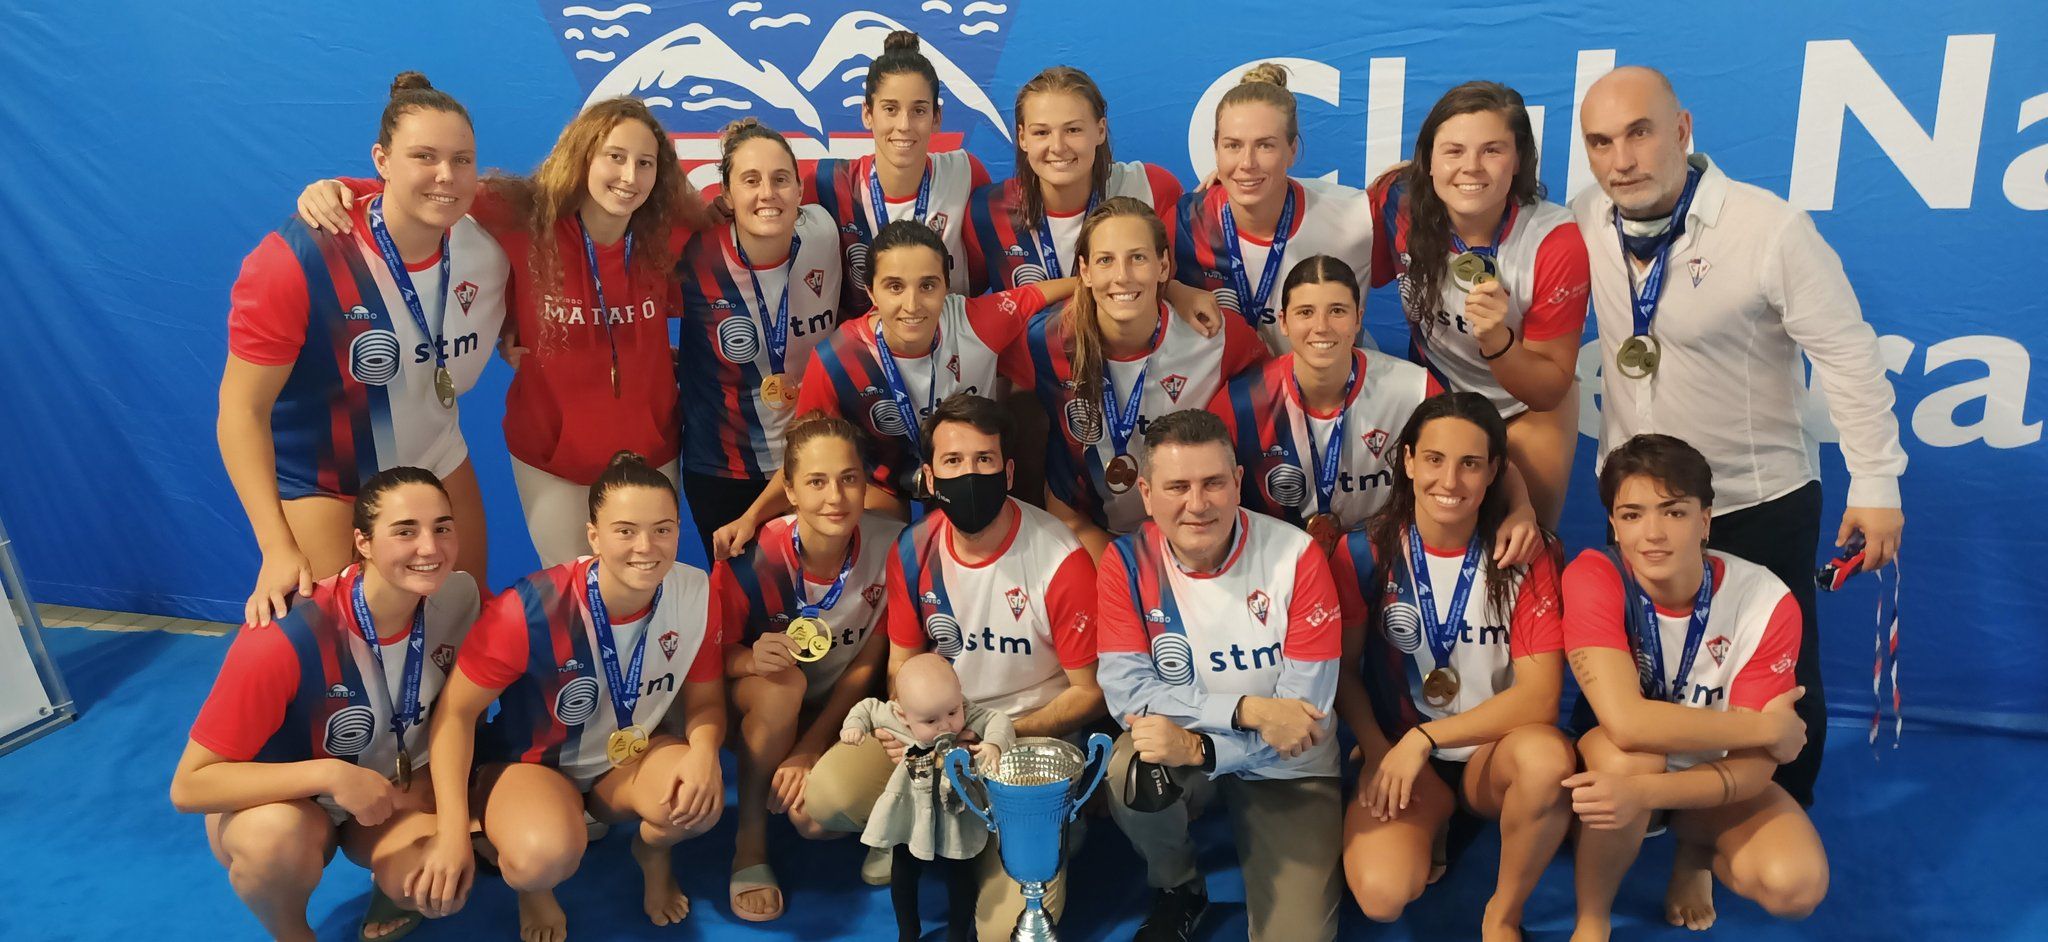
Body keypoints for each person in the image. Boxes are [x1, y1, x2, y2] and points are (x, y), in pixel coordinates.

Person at [1574, 66, 1906, 806]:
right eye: (1601, 142)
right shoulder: (1583, 220)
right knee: (1643, 658)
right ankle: (1643, 807)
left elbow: (1849, 354)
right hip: (1640, 502)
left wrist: (1877, 481)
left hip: (1758, 496)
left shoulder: (1767, 227)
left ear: (1683, 131)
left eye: (1639, 133)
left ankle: (1774, 808)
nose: (1621, 159)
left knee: (1778, 675)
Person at [294, 96, 710, 567]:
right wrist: (337, 188)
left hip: (652, 450)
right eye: (614, 157)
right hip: (551, 457)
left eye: (645, 163)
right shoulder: (521, 216)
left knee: (643, 582)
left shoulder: (672, 232)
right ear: (582, 156)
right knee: (573, 597)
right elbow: (431, 192)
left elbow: (751, 211)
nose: (629, 177)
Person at [798, 393, 1100, 939]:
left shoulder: (1059, 560)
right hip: (936, 733)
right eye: (953, 462)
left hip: (1021, 744)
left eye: (984, 460)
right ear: (931, 480)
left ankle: (1042, 827)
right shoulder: (914, 551)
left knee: (1007, 931)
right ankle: (916, 827)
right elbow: (902, 665)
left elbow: (1089, 693)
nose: (969, 475)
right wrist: (916, 729)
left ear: (1008, 471)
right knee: (823, 799)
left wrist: (999, 738)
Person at [223, 72, 506, 626]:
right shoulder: (298, 259)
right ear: (382, 159)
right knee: (342, 648)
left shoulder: (488, 240)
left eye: (462, 160)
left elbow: (577, 209)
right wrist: (276, 546)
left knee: (461, 622)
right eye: (423, 155)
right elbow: (241, 412)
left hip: (437, 458)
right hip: (328, 483)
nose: (446, 176)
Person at [171, 467, 481, 942]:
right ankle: (293, 932)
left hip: (391, 794)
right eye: (405, 531)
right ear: (363, 542)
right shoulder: (286, 634)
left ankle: (388, 882)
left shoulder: (460, 599)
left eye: (442, 527)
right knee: (270, 842)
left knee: (434, 887)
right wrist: (331, 774)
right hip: (285, 802)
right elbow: (189, 787)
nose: (429, 548)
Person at [425, 452, 725, 942]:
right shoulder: (529, 609)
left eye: (662, 529)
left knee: (697, 799)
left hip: (628, 763)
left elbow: (708, 701)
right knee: (539, 857)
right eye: (625, 530)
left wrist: (706, 753)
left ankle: (653, 855)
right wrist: (454, 829)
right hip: (535, 768)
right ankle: (534, 891)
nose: (646, 547)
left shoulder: (695, 592)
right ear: (594, 536)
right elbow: (456, 714)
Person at [1326, 392, 1574, 941]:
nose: (1450, 481)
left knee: (1546, 759)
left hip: (1493, 754)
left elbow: (1539, 699)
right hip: (1402, 751)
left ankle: (1503, 914)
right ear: (1409, 461)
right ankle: (1435, 820)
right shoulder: (1364, 552)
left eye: (1470, 464)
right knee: (1381, 897)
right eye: (1435, 459)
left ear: (1494, 473)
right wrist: (1379, 748)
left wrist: (1425, 739)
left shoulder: (1526, 555)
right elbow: (1342, 672)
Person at [1562, 433, 1825, 940]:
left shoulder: (1765, 599)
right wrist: (1767, 727)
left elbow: (1754, 769)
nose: (1653, 533)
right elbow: (1628, 723)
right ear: (1613, 525)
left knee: (1796, 886)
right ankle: (1591, 920)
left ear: (1705, 520)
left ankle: (1695, 855)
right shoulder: (1595, 575)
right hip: (1618, 760)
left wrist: (1642, 793)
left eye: (1674, 512)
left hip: (1710, 777)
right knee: (1627, 755)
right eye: (1633, 514)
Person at [1096, 408, 1344, 942]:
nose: (1197, 503)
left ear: (1237, 483)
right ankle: (1178, 885)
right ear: (1145, 492)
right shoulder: (1125, 563)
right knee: (1132, 768)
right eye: (1177, 486)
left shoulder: (1297, 556)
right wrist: (1244, 712)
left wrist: (1208, 750)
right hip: (1197, 746)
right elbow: (1127, 692)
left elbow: (1301, 723)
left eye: (1212, 483)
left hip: (1290, 764)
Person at [713, 220, 1073, 548]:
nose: (912, 305)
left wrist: (1095, 284)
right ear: (870, 292)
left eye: (928, 285)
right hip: (882, 483)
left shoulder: (979, 321)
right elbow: (801, 456)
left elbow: (1050, 292)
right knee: (872, 547)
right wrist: (751, 516)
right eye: (894, 287)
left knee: (974, 536)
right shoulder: (838, 359)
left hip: (961, 473)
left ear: (946, 285)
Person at [1214, 255, 1536, 562]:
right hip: (1277, 566)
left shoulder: (1413, 390)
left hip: (1383, 566)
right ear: (1283, 321)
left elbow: (1481, 457)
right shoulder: (1242, 401)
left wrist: (1521, 508)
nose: (1321, 326)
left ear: (1358, 318)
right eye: (1305, 312)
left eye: (1337, 311)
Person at [1369, 81, 1589, 528]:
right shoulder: (1397, 201)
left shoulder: (1554, 240)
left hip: (1526, 407)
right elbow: (1312, 220)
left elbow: (1548, 388)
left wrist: (1498, 341)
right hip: (1439, 394)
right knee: (1425, 537)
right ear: (1427, 160)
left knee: (1520, 543)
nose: (1471, 168)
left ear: (1520, 161)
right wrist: (1224, 188)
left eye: (1492, 150)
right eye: (1453, 151)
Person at [707, 415, 901, 922]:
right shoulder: (750, 559)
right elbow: (705, 659)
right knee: (781, 684)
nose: (834, 497)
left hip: (839, 704)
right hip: (759, 703)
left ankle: (898, 817)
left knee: (813, 819)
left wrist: (812, 745)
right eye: (816, 482)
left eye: (848, 479)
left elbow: (868, 660)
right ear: (789, 491)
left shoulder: (893, 546)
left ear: (865, 484)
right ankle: (749, 843)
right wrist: (749, 658)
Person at [1010, 197, 1266, 558]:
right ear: (1084, 271)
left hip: (1195, 533)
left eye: (1138, 258)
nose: (1122, 276)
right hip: (1087, 531)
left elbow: (1276, 403)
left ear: (1164, 265)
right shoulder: (1043, 339)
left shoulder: (1217, 336)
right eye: (1105, 260)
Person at [677, 119, 846, 560]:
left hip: (811, 462)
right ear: (727, 196)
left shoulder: (824, 234)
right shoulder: (693, 252)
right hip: (722, 467)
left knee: (814, 606)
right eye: (750, 181)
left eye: (780, 179)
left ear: (799, 191)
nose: (767, 193)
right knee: (745, 606)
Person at [1173, 63, 1377, 356]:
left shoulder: (1357, 218)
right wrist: (1173, 290)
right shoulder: (1186, 221)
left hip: (1329, 392)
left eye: (1265, 146)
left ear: (1293, 150)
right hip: (1228, 395)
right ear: (1215, 149)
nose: (1247, 163)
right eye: (1232, 146)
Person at [808, 30, 988, 312]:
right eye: (890, 109)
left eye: (918, 110)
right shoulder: (828, 183)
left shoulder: (965, 173)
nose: (904, 125)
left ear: (936, 118)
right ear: (867, 114)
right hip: (862, 349)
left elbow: (981, 274)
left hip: (948, 349)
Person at [964, 65, 1184, 294]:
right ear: (1022, 138)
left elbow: (1175, 276)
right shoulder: (987, 210)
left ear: (1100, 130)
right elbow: (960, 305)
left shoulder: (1151, 187)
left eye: (1073, 130)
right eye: (1041, 132)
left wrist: (1222, 178)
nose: (1058, 147)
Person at [843, 654, 1015, 942]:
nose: (946, 725)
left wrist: (995, 744)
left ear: (960, 695)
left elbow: (998, 719)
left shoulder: (968, 714)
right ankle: (908, 932)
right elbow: (867, 707)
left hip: (956, 814)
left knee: (961, 875)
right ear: (902, 715)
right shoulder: (894, 714)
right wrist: (854, 725)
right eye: (931, 720)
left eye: (952, 711)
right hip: (911, 813)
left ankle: (958, 934)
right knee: (904, 874)